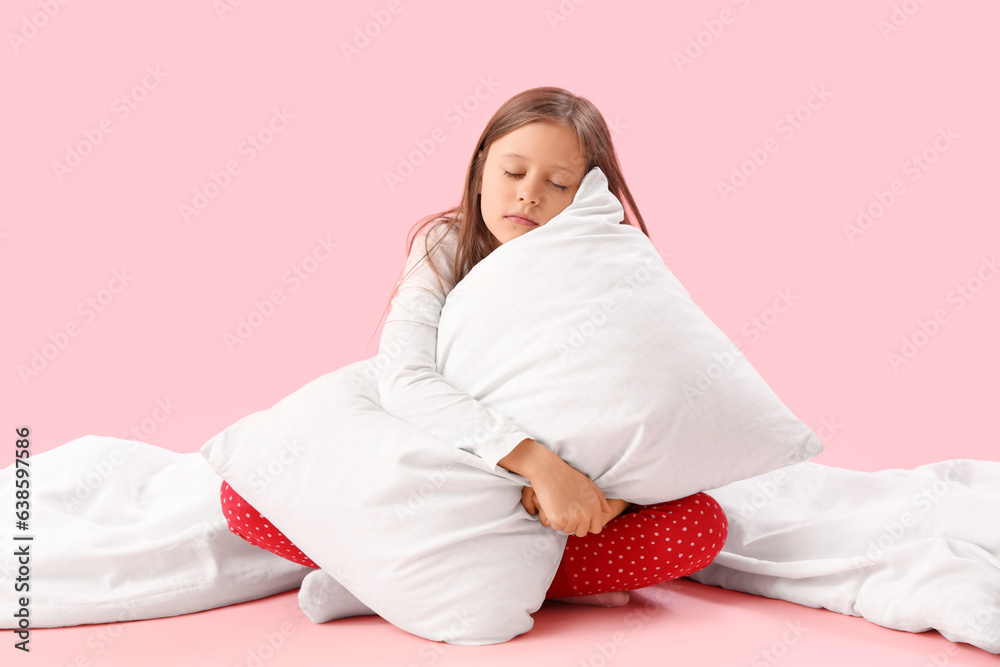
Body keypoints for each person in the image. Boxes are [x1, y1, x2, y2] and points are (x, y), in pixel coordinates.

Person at [219, 86, 728, 618]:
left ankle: (395, 581)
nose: (529, 195)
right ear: (482, 168)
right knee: (246, 496)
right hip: (443, 449)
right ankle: (417, 579)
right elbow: (406, 378)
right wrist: (539, 465)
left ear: (587, 196)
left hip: (548, 500)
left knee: (701, 525)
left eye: (558, 184)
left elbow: (646, 400)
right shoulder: (444, 244)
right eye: (513, 174)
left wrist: (602, 497)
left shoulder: (611, 266)